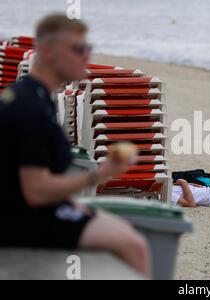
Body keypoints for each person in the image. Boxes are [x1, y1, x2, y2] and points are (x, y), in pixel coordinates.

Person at [0, 14, 149, 277]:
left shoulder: (31, 95)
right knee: (134, 245)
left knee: (124, 231)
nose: (86, 56)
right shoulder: (30, 109)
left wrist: (73, 203)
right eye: (78, 49)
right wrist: (100, 174)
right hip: (23, 221)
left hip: (27, 210)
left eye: (88, 48)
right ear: (47, 51)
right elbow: (35, 190)